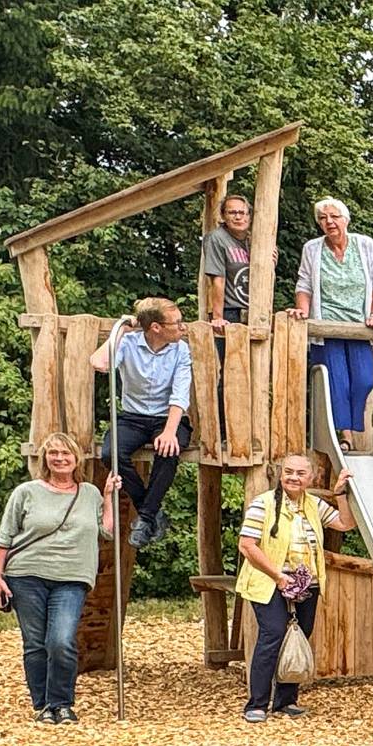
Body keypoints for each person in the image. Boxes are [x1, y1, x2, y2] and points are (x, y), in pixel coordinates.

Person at [0, 432, 120, 724]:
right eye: (53, 453)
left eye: (65, 453)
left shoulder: (89, 493)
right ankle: (44, 705)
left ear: (76, 459)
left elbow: (107, 531)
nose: (59, 458)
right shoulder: (27, 492)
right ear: (45, 459)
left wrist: (109, 497)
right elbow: (4, 538)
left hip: (72, 576)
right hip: (26, 573)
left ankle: (62, 702)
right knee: (35, 642)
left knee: (61, 639)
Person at [237, 451, 353, 723]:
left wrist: (340, 495)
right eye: (289, 471)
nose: (293, 477)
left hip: (306, 584)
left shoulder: (313, 504)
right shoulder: (263, 504)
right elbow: (247, 545)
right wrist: (278, 576)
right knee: (273, 634)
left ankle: (286, 701)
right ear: (281, 473)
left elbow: (346, 523)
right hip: (270, 582)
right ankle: (256, 703)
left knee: (299, 634)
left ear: (311, 477)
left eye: (301, 473)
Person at [87, 297, 193, 549]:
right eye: (177, 323)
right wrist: (122, 328)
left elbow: (180, 394)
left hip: (167, 417)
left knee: (170, 448)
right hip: (133, 416)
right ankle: (151, 512)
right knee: (110, 453)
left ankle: (145, 517)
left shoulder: (180, 349)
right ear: (156, 327)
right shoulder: (129, 343)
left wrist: (169, 431)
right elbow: (100, 363)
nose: (183, 327)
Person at [290, 198, 373, 443]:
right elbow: (304, 285)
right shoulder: (312, 248)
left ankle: (349, 427)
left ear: (346, 220)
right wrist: (303, 311)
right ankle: (345, 435)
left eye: (334, 216)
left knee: (364, 380)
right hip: (327, 327)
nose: (329, 222)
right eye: (323, 218)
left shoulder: (365, 245)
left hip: (359, 328)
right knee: (336, 382)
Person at [200, 195, 255, 330]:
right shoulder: (217, 238)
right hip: (230, 312)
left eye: (242, 212)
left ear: (249, 216)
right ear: (223, 216)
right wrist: (218, 317)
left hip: (255, 311)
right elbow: (218, 279)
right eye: (232, 212)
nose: (238, 217)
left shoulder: (255, 239)